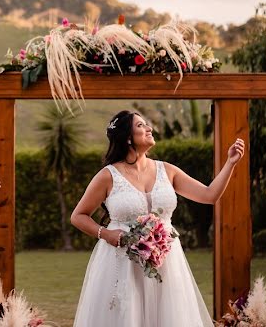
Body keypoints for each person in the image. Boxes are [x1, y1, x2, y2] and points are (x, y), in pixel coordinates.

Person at [69, 110, 245, 326]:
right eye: (141, 125)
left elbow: (209, 195)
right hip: (122, 262)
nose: (149, 128)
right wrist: (106, 234)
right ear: (127, 137)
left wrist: (231, 163)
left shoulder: (167, 170)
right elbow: (78, 216)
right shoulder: (108, 175)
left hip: (166, 262)